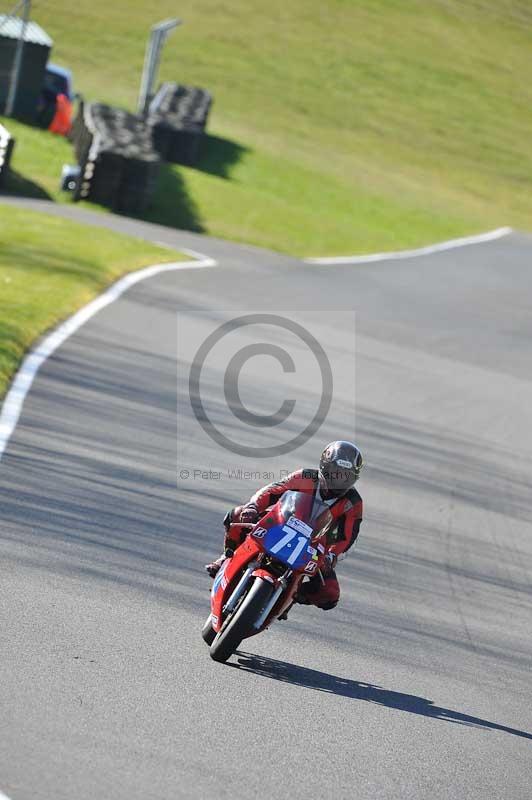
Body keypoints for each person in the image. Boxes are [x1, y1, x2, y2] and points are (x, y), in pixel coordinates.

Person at [205, 441, 363, 610]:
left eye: (346, 476)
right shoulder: (305, 476)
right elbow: (272, 491)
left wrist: (332, 556)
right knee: (237, 515)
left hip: (315, 547)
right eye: (335, 473)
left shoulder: (353, 502)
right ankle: (226, 558)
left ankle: (292, 594)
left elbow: (348, 538)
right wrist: (253, 507)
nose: (339, 480)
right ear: (324, 467)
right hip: (282, 524)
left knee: (330, 594)